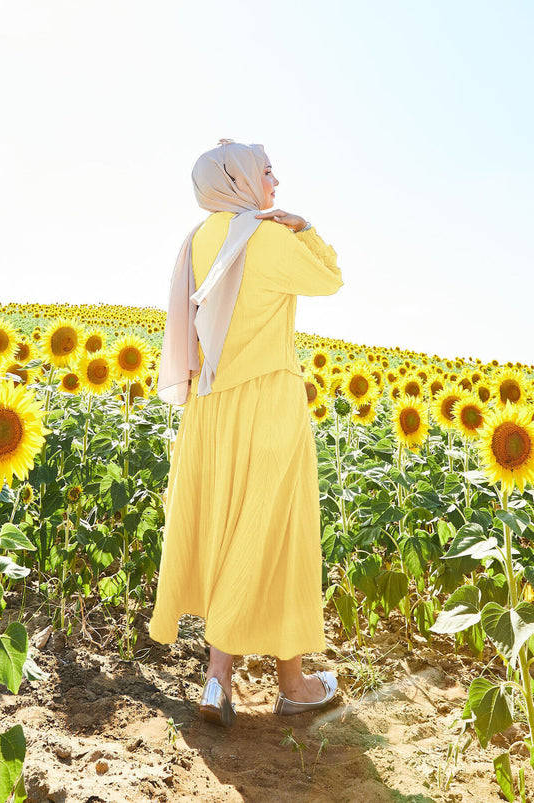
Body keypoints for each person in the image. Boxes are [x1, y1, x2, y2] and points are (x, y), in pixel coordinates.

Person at [149, 139, 344, 726]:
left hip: (209, 410)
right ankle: (289, 685)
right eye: (265, 171)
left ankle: (222, 683)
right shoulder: (265, 236)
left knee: (229, 528)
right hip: (268, 404)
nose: (276, 182)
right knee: (276, 532)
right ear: (237, 180)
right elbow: (331, 278)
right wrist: (304, 226)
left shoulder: (195, 241)